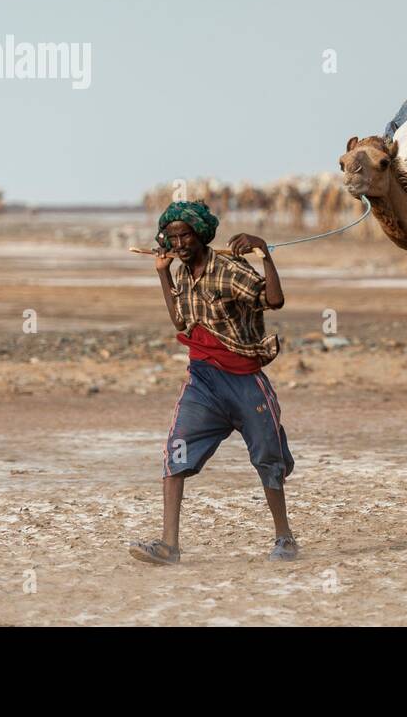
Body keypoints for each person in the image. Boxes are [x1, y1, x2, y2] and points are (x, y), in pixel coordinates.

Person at [128, 200, 297, 565]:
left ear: (201, 235)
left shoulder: (228, 269)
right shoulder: (183, 273)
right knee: (175, 453)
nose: (179, 243)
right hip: (203, 379)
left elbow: (275, 300)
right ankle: (168, 545)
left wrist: (264, 253)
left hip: (244, 380)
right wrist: (163, 273)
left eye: (185, 235)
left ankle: (284, 537)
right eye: (172, 237)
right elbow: (179, 323)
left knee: (268, 459)